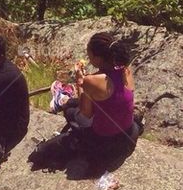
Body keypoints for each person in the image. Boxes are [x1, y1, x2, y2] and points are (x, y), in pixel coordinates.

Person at [29, 31, 139, 172]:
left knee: (70, 109)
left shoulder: (93, 80)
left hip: (106, 141)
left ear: (98, 58)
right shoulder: (126, 71)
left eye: (90, 55)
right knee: (72, 103)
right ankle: (63, 102)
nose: (89, 58)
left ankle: (62, 106)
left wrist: (80, 81)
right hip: (129, 132)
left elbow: (85, 113)